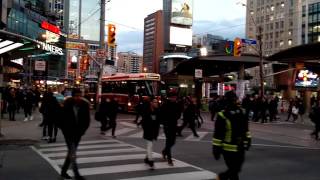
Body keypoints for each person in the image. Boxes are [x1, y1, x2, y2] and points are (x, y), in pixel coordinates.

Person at [212, 91, 251, 180]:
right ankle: (220, 177)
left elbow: (246, 129)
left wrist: (248, 140)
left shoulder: (242, 112)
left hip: (240, 147)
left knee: (236, 170)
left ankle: (221, 177)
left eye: (235, 99)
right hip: (228, 149)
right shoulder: (223, 114)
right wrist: (216, 149)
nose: (236, 101)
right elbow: (218, 134)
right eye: (234, 99)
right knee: (234, 170)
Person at [58, 89, 90, 180]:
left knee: (71, 152)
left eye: (80, 95)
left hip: (78, 133)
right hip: (68, 133)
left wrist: (82, 131)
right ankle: (77, 175)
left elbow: (87, 120)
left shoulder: (84, 105)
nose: (78, 97)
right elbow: (61, 118)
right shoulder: (67, 104)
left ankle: (63, 172)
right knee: (72, 152)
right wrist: (64, 129)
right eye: (76, 96)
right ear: (73, 96)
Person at [159, 92, 181, 166]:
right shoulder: (165, 104)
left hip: (174, 125)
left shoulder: (177, 104)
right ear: (169, 97)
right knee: (168, 142)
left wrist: (176, 117)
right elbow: (161, 114)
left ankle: (164, 151)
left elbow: (179, 113)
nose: (174, 98)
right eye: (173, 97)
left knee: (173, 142)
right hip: (167, 126)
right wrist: (164, 122)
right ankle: (169, 159)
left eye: (175, 97)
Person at [141, 97, 160, 169]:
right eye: (155, 102)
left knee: (150, 145)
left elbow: (157, 122)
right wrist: (146, 129)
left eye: (157, 102)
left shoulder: (157, 111)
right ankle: (151, 161)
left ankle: (146, 158)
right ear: (151, 103)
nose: (156, 103)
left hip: (153, 131)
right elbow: (144, 122)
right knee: (150, 145)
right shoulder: (147, 110)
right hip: (148, 131)